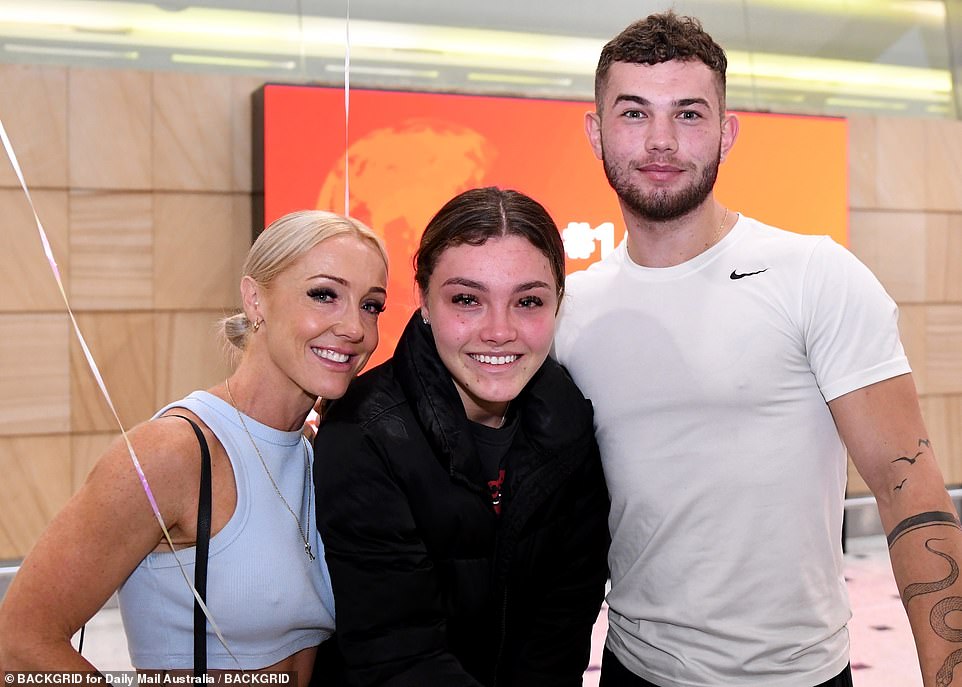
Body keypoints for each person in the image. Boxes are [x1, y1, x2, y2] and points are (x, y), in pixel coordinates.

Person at [552, 11, 962, 687]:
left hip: (797, 675)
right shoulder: (573, 310)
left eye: (688, 114)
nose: (660, 140)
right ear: (596, 131)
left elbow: (908, 488)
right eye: (633, 114)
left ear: (726, 131)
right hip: (632, 669)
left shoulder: (815, 276)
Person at [0, 210, 388, 681]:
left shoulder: (319, 452)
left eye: (371, 305)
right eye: (324, 295)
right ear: (255, 299)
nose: (355, 328)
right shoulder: (174, 452)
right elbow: (17, 646)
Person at [313, 186, 610, 687]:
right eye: (467, 300)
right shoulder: (363, 434)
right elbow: (397, 657)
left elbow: (561, 633)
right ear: (423, 301)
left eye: (528, 301)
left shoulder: (572, 423)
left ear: (559, 303)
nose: (498, 330)